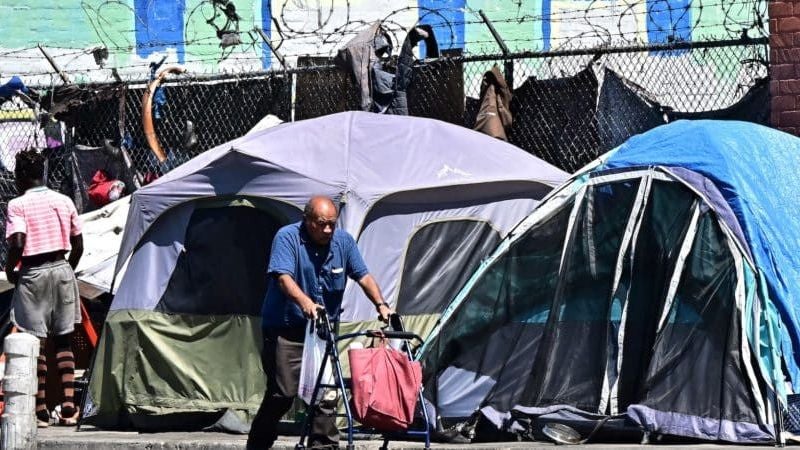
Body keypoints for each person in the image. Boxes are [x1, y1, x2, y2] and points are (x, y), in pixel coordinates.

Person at [247, 195, 392, 449]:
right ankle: (258, 443)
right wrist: (305, 304)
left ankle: (323, 447)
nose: (327, 230)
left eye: (332, 224)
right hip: (286, 330)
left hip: (323, 332)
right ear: (307, 220)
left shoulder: (343, 242)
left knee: (326, 394)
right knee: (283, 393)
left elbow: (363, 276)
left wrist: (381, 304)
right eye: (322, 224)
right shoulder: (288, 237)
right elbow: (283, 278)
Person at [4, 149, 83, 427]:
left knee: (33, 342)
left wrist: (9, 269)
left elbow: (18, 241)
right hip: (62, 268)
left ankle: (40, 412)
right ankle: (70, 408)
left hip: (33, 273)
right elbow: (78, 242)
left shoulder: (17, 205)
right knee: (63, 341)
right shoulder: (64, 201)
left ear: (22, 176)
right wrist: (67, 269)